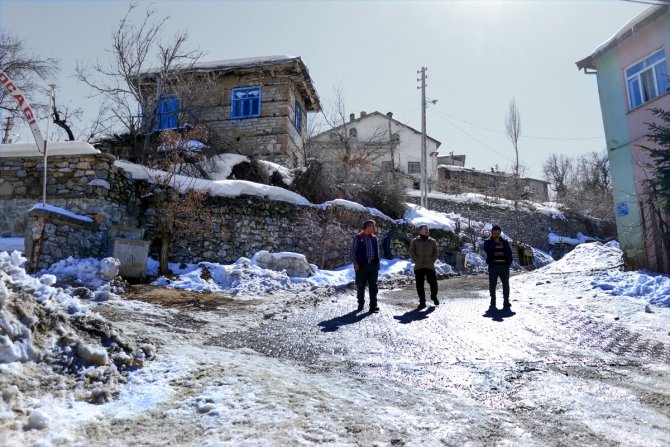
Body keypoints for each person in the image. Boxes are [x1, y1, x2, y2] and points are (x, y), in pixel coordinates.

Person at [351, 220, 381, 313]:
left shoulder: (374, 238)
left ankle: (373, 306)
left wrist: (378, 263)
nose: (374, 228)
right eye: (373, 226)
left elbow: (378, 252)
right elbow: (352, 251)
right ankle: (360, 304)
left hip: (373, 266)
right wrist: (355, 263)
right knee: (360, 285)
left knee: (373, 286)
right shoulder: (358, 237)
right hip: (361, 266)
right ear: (367, 226)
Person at [483, 224, 514, 310]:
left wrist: (508, 263)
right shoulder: (488, 242)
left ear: (500, 233)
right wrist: (494, 243)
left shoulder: (505, 242)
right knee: (492, 285)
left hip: (504, 268)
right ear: (492, 233)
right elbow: (486, 249)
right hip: (493, 267)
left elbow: (509, 254)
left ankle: (506, 301)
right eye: (494, 233)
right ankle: (493, 300)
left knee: (506, 285)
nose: (496, 235)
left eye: (498, 233)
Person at [409, 224, 439, 309]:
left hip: (429, 266)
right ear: (420, 231)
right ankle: (422, 302)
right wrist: (415, 259)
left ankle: (433, 296)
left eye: (427, 229)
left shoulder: (432, 241)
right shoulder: (415, 241)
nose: (427, 230)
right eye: (425, 229)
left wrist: (432, 260)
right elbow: (411, 251)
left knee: (433, 283)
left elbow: (436, 252)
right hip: (419, 266)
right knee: (419, 285)